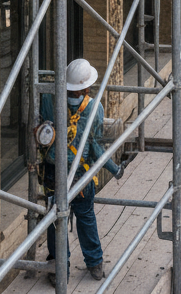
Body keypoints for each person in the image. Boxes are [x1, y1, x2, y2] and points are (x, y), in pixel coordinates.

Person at [37, 58, 124, 281]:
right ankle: (95, 264)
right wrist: (114, 168)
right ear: (85, 88)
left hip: (52, 173)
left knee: (55, 219)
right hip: (80, 176)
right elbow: (95, 147)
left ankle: (59, 269)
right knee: (85, 217)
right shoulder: (94, 107)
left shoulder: (48, 99)